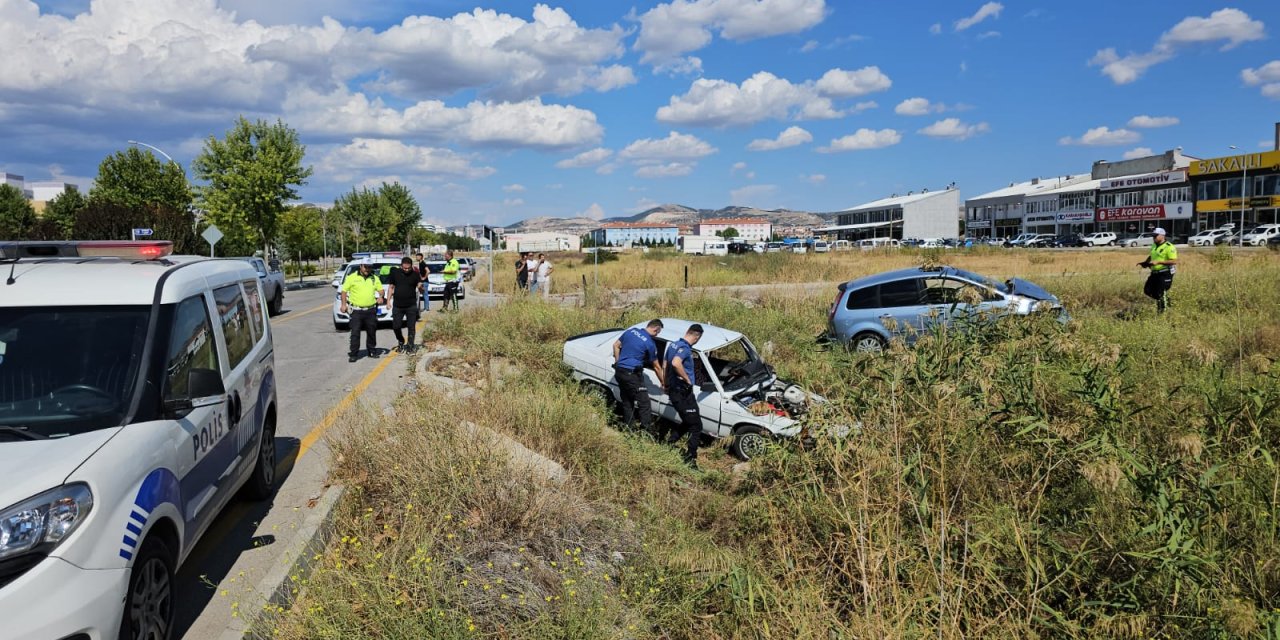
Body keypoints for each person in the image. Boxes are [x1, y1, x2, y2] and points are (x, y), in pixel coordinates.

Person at [612, 319, 665, 434]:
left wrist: (618, 363)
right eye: (658, 333)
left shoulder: (631, 331)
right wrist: (663, 382)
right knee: (644, 402)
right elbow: (656, 367)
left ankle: (629, 429)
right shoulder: (650, 343)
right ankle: (647, 431)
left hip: (620, 372)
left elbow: (616, 345)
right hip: (632, 375)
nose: (657, 335)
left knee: (627, 401)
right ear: (656, 329)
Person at [665, 324, 705, 469]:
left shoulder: (673, 345)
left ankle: (670, 442)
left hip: (678, 391)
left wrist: (665, 384)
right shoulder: (685, 349)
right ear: (696, 336)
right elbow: (675, 363)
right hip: (682, 391)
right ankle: (691, 459)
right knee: (696, 426)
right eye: (698, 339)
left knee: (689, 420)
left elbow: (666, 364)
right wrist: (687, 379)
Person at [340, 258, 385, 362]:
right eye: (365, 266)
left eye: (369, 267)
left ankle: (371, 351)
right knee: (355, 332)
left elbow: (381, 290)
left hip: (370, 310)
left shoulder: (374, 278)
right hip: (356, 310)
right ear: (361, 266)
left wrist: (380, 296)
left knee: (371, 331)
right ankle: (354, 353)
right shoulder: (351, 277)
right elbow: (344, 291)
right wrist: (343, 305)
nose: (367, 269)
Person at [386, 257, 423, 352]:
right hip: (398, 305)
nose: (406, 270)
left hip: (411, 305)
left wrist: (420, 287)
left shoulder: (415, 274)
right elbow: (391, 287)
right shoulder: (395, 273)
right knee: (396, 326)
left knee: (411, 327)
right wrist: (388, 301)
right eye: (404, 268)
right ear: (401, 266)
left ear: (411, 267)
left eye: (408, 268)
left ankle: (410, 346)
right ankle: (401, 341)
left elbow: (420, 286)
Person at [1139, 227, 1178, 314]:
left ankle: (1162, 314)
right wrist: (1146, 262)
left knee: (1160, 292)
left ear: (1162, 236)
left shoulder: (1169, 247)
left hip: (1165, 273)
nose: (1154, 238)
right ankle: (1167, 301)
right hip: (1154, 273)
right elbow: (1152, 256)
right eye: (1153, 236)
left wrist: (1159, 262)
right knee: (1148, 290)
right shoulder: (1154, 245)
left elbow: (1174, 261)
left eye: (1155, 236)